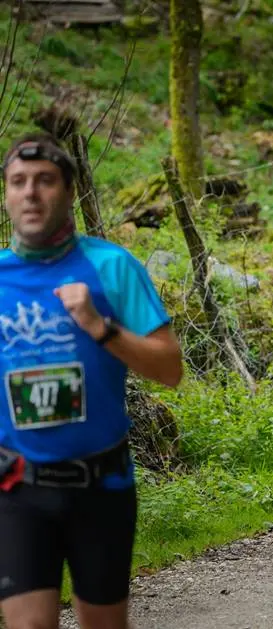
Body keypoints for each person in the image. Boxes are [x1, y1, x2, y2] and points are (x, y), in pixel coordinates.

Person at [0, 133, 183, 629]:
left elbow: (170, 369)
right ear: (7, 194)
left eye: (44, 180)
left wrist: (100, 328)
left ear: (70, 190)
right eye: (18, 182)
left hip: (101, 483)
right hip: (17, 486)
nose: (30, 193)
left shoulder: (111, 266)